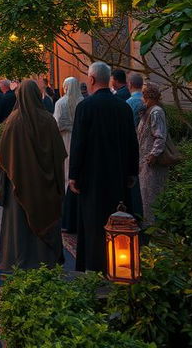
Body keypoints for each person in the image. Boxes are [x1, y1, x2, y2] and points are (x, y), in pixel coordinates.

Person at [68, 61, 139, 272]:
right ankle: (117, 264)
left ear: (90, 79)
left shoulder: (85, 107)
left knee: (92, 222)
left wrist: (74, 175)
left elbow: (78, 144)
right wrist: (132, 172)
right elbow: (131, 142)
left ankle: (93, 265)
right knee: (117, 218)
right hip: (117, 175)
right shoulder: (123, 107)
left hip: (92, 177)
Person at [0, 79, 67, 270]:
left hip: (18, 186)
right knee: (44, 218)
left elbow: (2, 158)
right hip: (45, 187)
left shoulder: (13, 122)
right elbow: (59, 156)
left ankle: (18, 258)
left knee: (19, 225)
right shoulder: (48, 120)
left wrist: (3, 183)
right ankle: (45, 260)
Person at [137, 81, 169, 227]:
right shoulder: (149, 111)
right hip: (144, 160)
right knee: (145, 195)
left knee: (151, 196)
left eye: (143, 95)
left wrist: (153, 155)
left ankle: (152, 228)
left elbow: (160, 136)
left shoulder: (156, 112)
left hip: (151, 163)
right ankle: (148, 225)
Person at [53, 76, 83, 232]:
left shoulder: (61, 103)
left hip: (65, 140)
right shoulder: (82, 102)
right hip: (80, 141)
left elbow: (56, 124)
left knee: (66, 175)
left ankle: (67, 214)